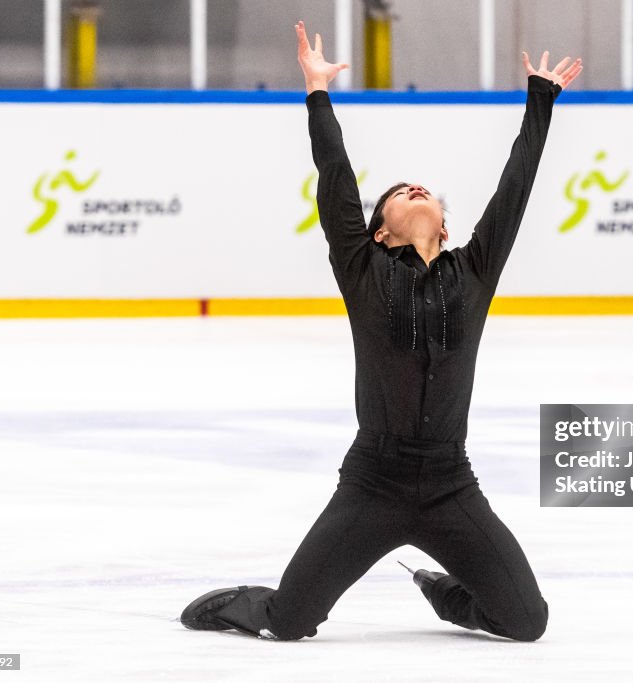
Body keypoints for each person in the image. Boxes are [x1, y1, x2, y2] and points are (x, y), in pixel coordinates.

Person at [181, 20, 581, 642]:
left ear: (444, 227)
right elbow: (336, 178)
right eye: (399, 193)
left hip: (452, 484)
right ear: (380, 232)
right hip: (373, 483)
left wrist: (540, 100)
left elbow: (515, 190)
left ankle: (446, 594)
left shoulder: (475, 270)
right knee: (290, 622)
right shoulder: (362, 268)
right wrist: (318, 94)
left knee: (527, 622)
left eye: (426, 191)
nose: (416, 189)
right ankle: (235, 604)